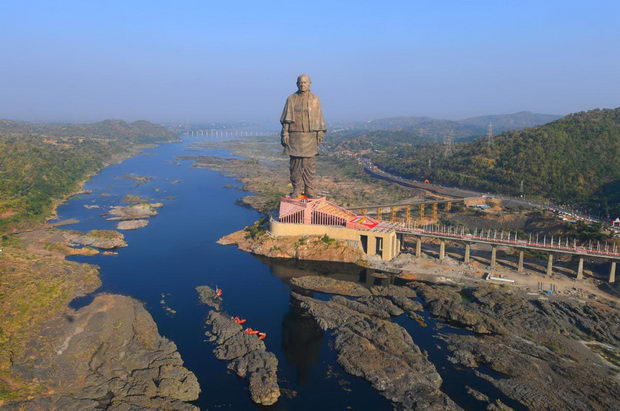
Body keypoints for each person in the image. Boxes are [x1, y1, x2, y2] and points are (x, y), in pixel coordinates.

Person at [280, 74, 327, 198]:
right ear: (297, 84)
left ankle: (309, 189)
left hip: (310, 136)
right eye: (300, 82)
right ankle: (296, 188)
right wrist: (285, 132)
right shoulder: (291, 99)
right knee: (295, 164)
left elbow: (319, 118)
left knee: (309, 164)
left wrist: (320, 133)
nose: (302, 84)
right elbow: (286, 119)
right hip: (295, 136)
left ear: (310, 84)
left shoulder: (315, 99)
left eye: (305, 82)